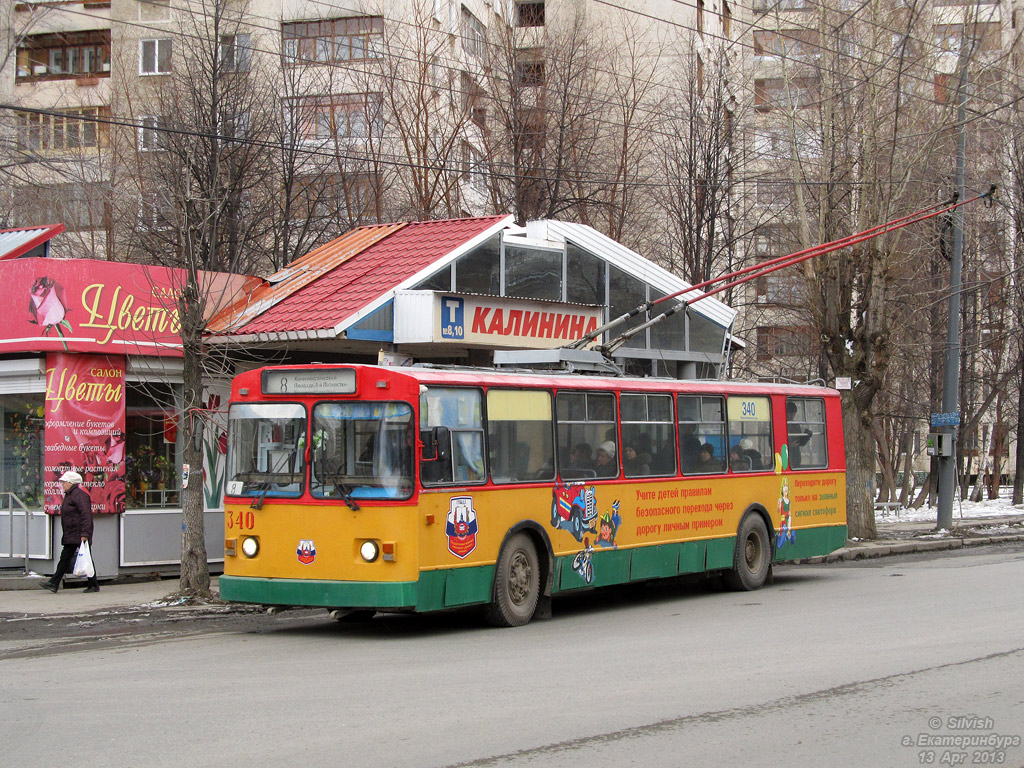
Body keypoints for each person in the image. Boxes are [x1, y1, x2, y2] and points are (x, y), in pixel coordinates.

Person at [40, 470, 99, 593]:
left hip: (78, 533)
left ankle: (55, 583)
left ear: (71, 483)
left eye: (64, 482)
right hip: (72, 532)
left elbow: (86, 515)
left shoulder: (80, 495)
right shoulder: (71, 495)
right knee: (67, 558)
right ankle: (55, 583)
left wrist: (84, 534)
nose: (62, 484)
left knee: (79, 557)